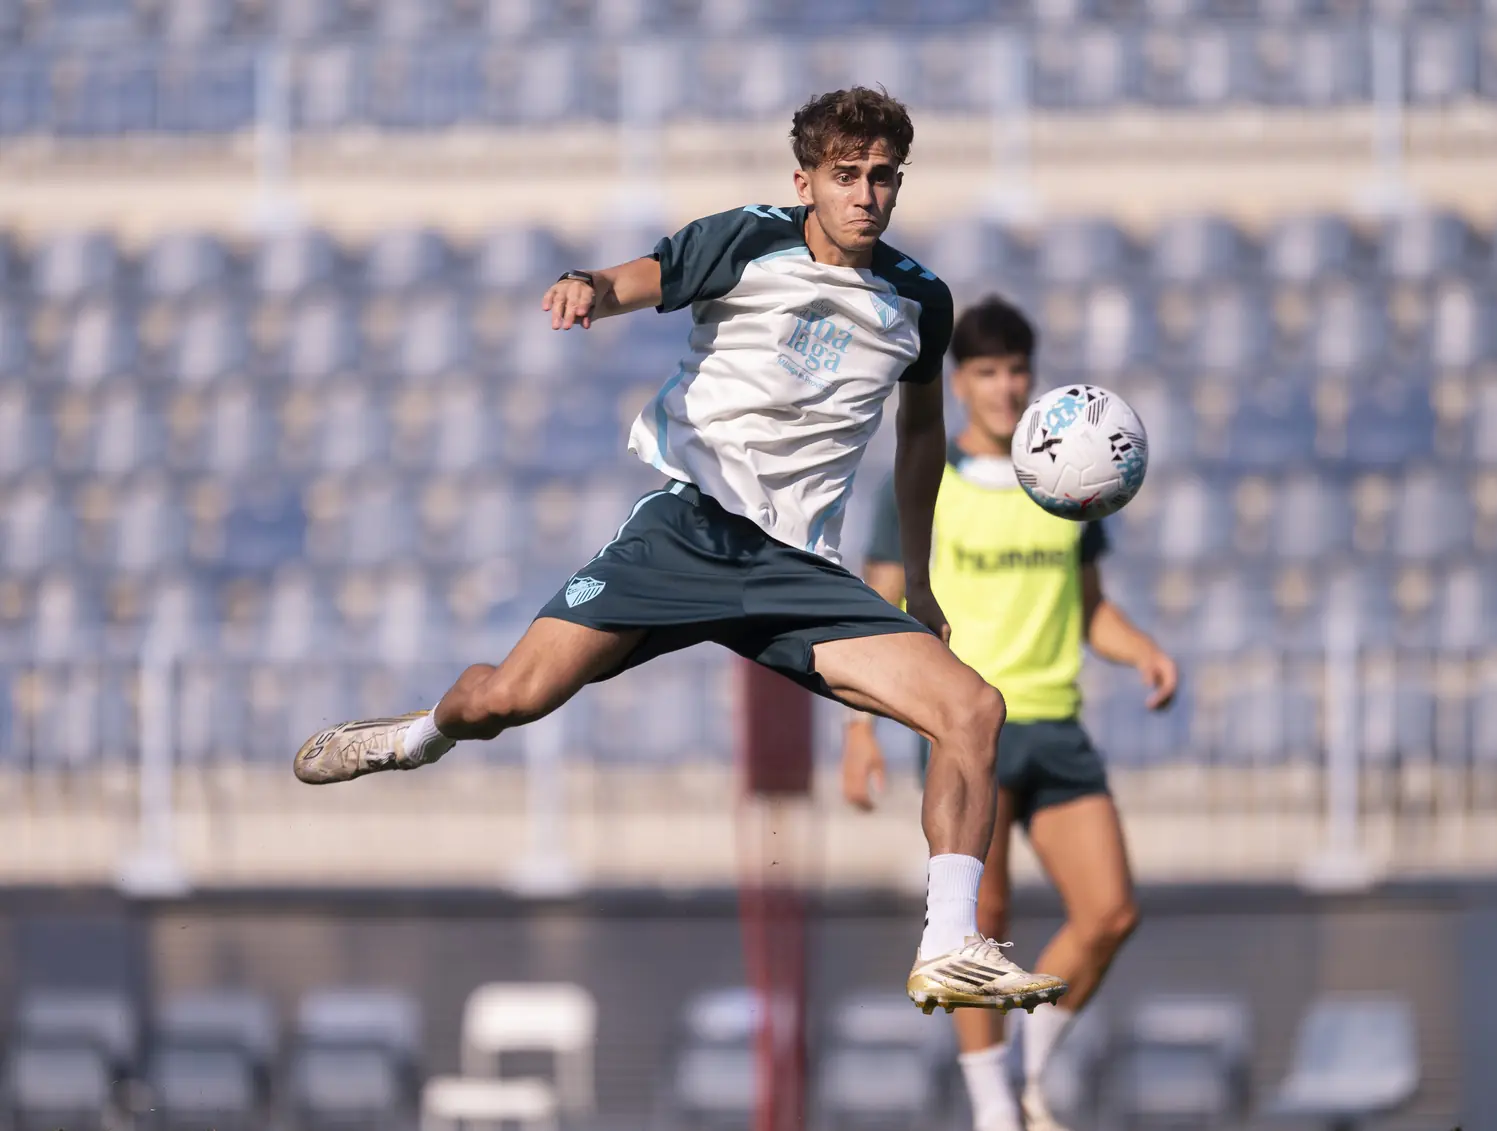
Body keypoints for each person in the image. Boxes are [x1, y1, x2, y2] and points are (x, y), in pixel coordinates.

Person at [291, 88, 1065, 1014]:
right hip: (689, 531)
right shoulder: (747, 238)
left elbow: (921, 438)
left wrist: (924, 580)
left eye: (882, 177)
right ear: (805, 180)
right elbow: (637, 279)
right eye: (845, 175)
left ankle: (948, 942)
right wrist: (586, 285)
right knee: (509, 697)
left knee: (972, 707)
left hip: (799, 575)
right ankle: (417, 737)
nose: (865, 194)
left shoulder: (920, 302)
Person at [841, 296, 1179, 1131]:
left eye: (1017, 370)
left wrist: (1141, 650)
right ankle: (994, 1108)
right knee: (980, 925)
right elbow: (878, 606)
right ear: (960, 382)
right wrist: (858, 730)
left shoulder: (1072, 480)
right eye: (987, 370)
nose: (1004, 386)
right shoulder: (928, 483)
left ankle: (1030, 1065)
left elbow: (1091, 607)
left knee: (1110, 911)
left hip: (1057, 724)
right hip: (969, 735)